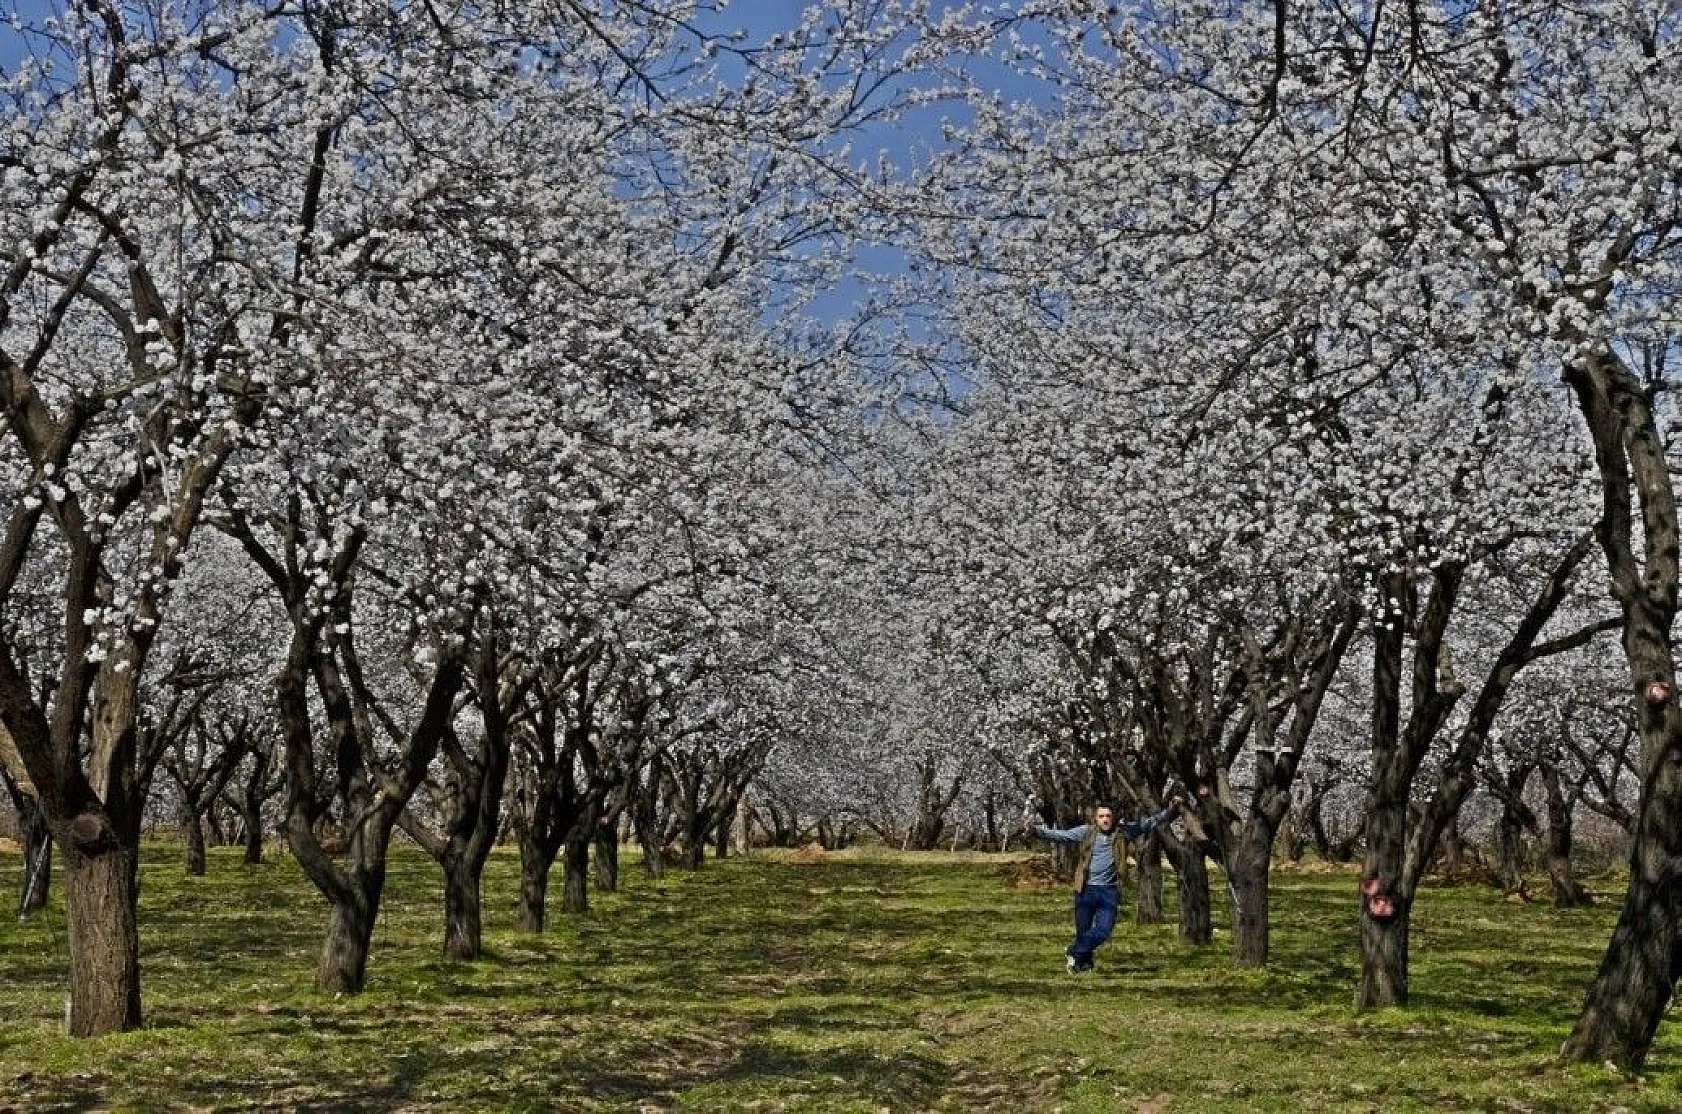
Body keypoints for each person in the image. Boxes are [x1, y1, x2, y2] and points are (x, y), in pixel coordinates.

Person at [1027, 798, 1184, 973]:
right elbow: (1061, 836)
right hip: (1085, 889)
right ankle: (1083, 964)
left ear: (1113, 817)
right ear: (1095, 818)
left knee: (1103, 931)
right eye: (1101, 816)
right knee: (1084, 931)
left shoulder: (1124, 832)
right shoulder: (1086, 832)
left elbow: (1150, 823)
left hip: (1109, 890)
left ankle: (1074, 951)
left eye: (1108, 816)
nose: (1105, 819)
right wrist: (1037, 831)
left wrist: (1172, 810)